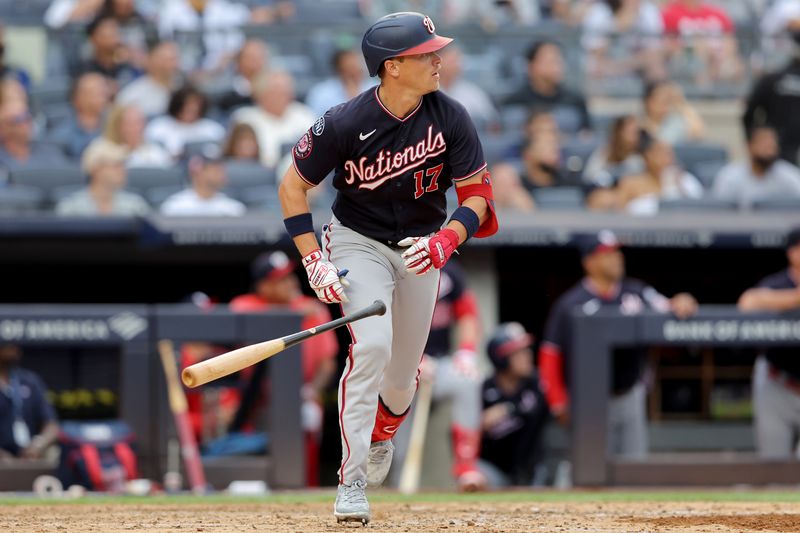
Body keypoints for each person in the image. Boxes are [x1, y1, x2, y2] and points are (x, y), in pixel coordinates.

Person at [277, 12, 498, 525]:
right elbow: (293, 188)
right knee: (370, 347)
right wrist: (314, 259)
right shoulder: (343, 121)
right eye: (426, 54)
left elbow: (479, 199)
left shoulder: (452, 116)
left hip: (423, 245)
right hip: (358, 243)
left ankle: (381, 433)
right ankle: (351, 481)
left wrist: (447, 238)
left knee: (403, 379)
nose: (438, 59)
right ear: (393, 67)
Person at [538, 230, 697, 457]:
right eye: (608, 254)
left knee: (634, 467)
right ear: (589, 262)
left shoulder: (637, 292)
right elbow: (550, 356)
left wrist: (682, 301)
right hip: (588, 400)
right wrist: (558, 402)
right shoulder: (570, 304)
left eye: (617, 252)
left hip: (629, 394)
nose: (617, 258)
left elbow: (669, 308)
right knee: (592, 470)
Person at [230, 250, 338, 486]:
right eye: (279, 280)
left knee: (303, 455)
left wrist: (311, 393)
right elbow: (239, 314)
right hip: (257, 399)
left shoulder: (313, 308)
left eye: (290, 277)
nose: (290, 283)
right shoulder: (247, 304)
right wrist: (294, 314)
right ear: (262, 286)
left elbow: (327, 362)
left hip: (300, 394)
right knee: (255, 456)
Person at [389, 261, 486, 491]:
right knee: (398, 437)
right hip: (395, 364)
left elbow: (467, 314)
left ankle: (466, 466)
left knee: (467, 380)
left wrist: (466, 352)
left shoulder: (450, 273)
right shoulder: (394, 268)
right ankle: (393, 482)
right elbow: (381, 323)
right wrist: (412, 359)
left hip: (439, 363)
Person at [738, 227, 800, 459]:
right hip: (778, 382)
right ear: (793, 252)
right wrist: (795, 298)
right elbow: (747, 302)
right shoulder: (777, 283)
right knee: (773, 466)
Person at [479, 322, 549, 487]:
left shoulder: (537, 384)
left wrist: (507, 409)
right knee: (477, 476)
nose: (527, 355)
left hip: (530, 470)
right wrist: (479, 423)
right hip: (494, 469)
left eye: (526, 350)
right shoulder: (484, 389)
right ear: (501, 358)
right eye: (518, 352)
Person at [504, 41, 591, 136]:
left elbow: (586, 135)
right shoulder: (514, 102)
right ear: (531, 66)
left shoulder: (575, 100)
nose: (557, 66)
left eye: (560, 60)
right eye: (551, 60)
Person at [231, 71, 315, 168]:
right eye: (277, 92)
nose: (285, 96)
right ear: (260, 95)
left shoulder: (304, 114)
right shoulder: (244, 118)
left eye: (287, 91)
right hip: (261, 174)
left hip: (300, 174)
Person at [743, 31, 800, 165]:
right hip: (775, 152)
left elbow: (748, 115)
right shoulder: (772, 80)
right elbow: (749, 114)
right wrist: (756, 141)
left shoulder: (772, 79)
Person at [611, 133, 704, 215]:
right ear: (646, 156)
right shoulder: (629, 184)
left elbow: (699, 209)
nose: (666, 158)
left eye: (669, 153)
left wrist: (681, 187)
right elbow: (619, 218)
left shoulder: (685, 180)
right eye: (660, 152)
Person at [712, 126, 800, 209]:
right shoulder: (730, 176)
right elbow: (719, 208)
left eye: (771, 145)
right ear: (749, 146)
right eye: (764, 144)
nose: (769, 151)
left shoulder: (789, 175)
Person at [55, 140, 150, 216]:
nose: (123, 170)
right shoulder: (71, 209)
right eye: (116, 165)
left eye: (122, 165)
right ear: (96, 170)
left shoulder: (135, 206)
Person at [0, 344, 59, 461]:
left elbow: (52, 426)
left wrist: (38, 445)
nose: (14, 347)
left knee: (53, 452)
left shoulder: (29, 380)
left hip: (28, 452)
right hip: (3, 454)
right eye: (8, 343)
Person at [581, 0, 666, 82]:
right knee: (596, 69)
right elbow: (597, 55)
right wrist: (619, 24)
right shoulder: (600, 10)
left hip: (634, 68)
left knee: (657, 68)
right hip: (603, 72)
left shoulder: (648, 10)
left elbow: (654, 53)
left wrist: (619, 67)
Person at [160, 143, 246, 216]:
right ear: (196, 172)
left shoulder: (233, 209)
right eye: (213, 168)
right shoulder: (174, 207)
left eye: (221, 168)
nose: (220, 173)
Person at [144, 85, 225, 159]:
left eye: (195, 106)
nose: (191, 109)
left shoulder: (212, 129)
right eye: (187, 106)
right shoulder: (158, 127)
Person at [48, 72, 111, 159]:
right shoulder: (62, 136)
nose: (104, 95)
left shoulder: (117, 126)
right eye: (96, 92)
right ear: (78, 98)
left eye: (104, 91)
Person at [437, 45, 498, 131]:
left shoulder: (472, 92)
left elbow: (492, 122)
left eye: (458, 61)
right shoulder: (425, 92)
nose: (456, 65)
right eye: (451, 61)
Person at [116, 41, 182, 118]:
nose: (173, 64)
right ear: (150, 60)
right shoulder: (132, 95)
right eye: (167, 59)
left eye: (175, 59)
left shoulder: (184, 91)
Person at [0, 98, 68, 172]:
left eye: (28, 116)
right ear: (2, 128)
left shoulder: (50, 152)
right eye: (19, 119)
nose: (28, 123)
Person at [76, 14, 140, 92]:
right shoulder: (86, 69)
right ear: (93, 37)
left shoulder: (128, 64)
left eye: (115, 30)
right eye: (106, 32)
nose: (113, 35)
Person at [305, 49, 374, 117]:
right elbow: (314, 120)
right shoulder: (321, 92)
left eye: (357, 65)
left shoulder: (374, 87)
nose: (356, 70)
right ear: (339, 69)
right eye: (350, 67)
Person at [583, 114, 645, 189]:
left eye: (637, 133)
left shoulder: (642, 156)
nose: (635, 138)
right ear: (618, 132)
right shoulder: (604, 153)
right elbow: (589, 177)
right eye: (630, 132)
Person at [641, 80, 704, 145]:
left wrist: (680, 101)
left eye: (668, 101)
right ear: (648, 102)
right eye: (661, 100)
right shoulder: (640, 126)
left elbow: (698, 132)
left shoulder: (675, 123)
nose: (665, 106)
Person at [217, 39, 271, 113]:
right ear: (239, 61)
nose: (256, 62)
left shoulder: (276, 87)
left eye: (260, 57)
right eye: (251, 58)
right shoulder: (227, 90)